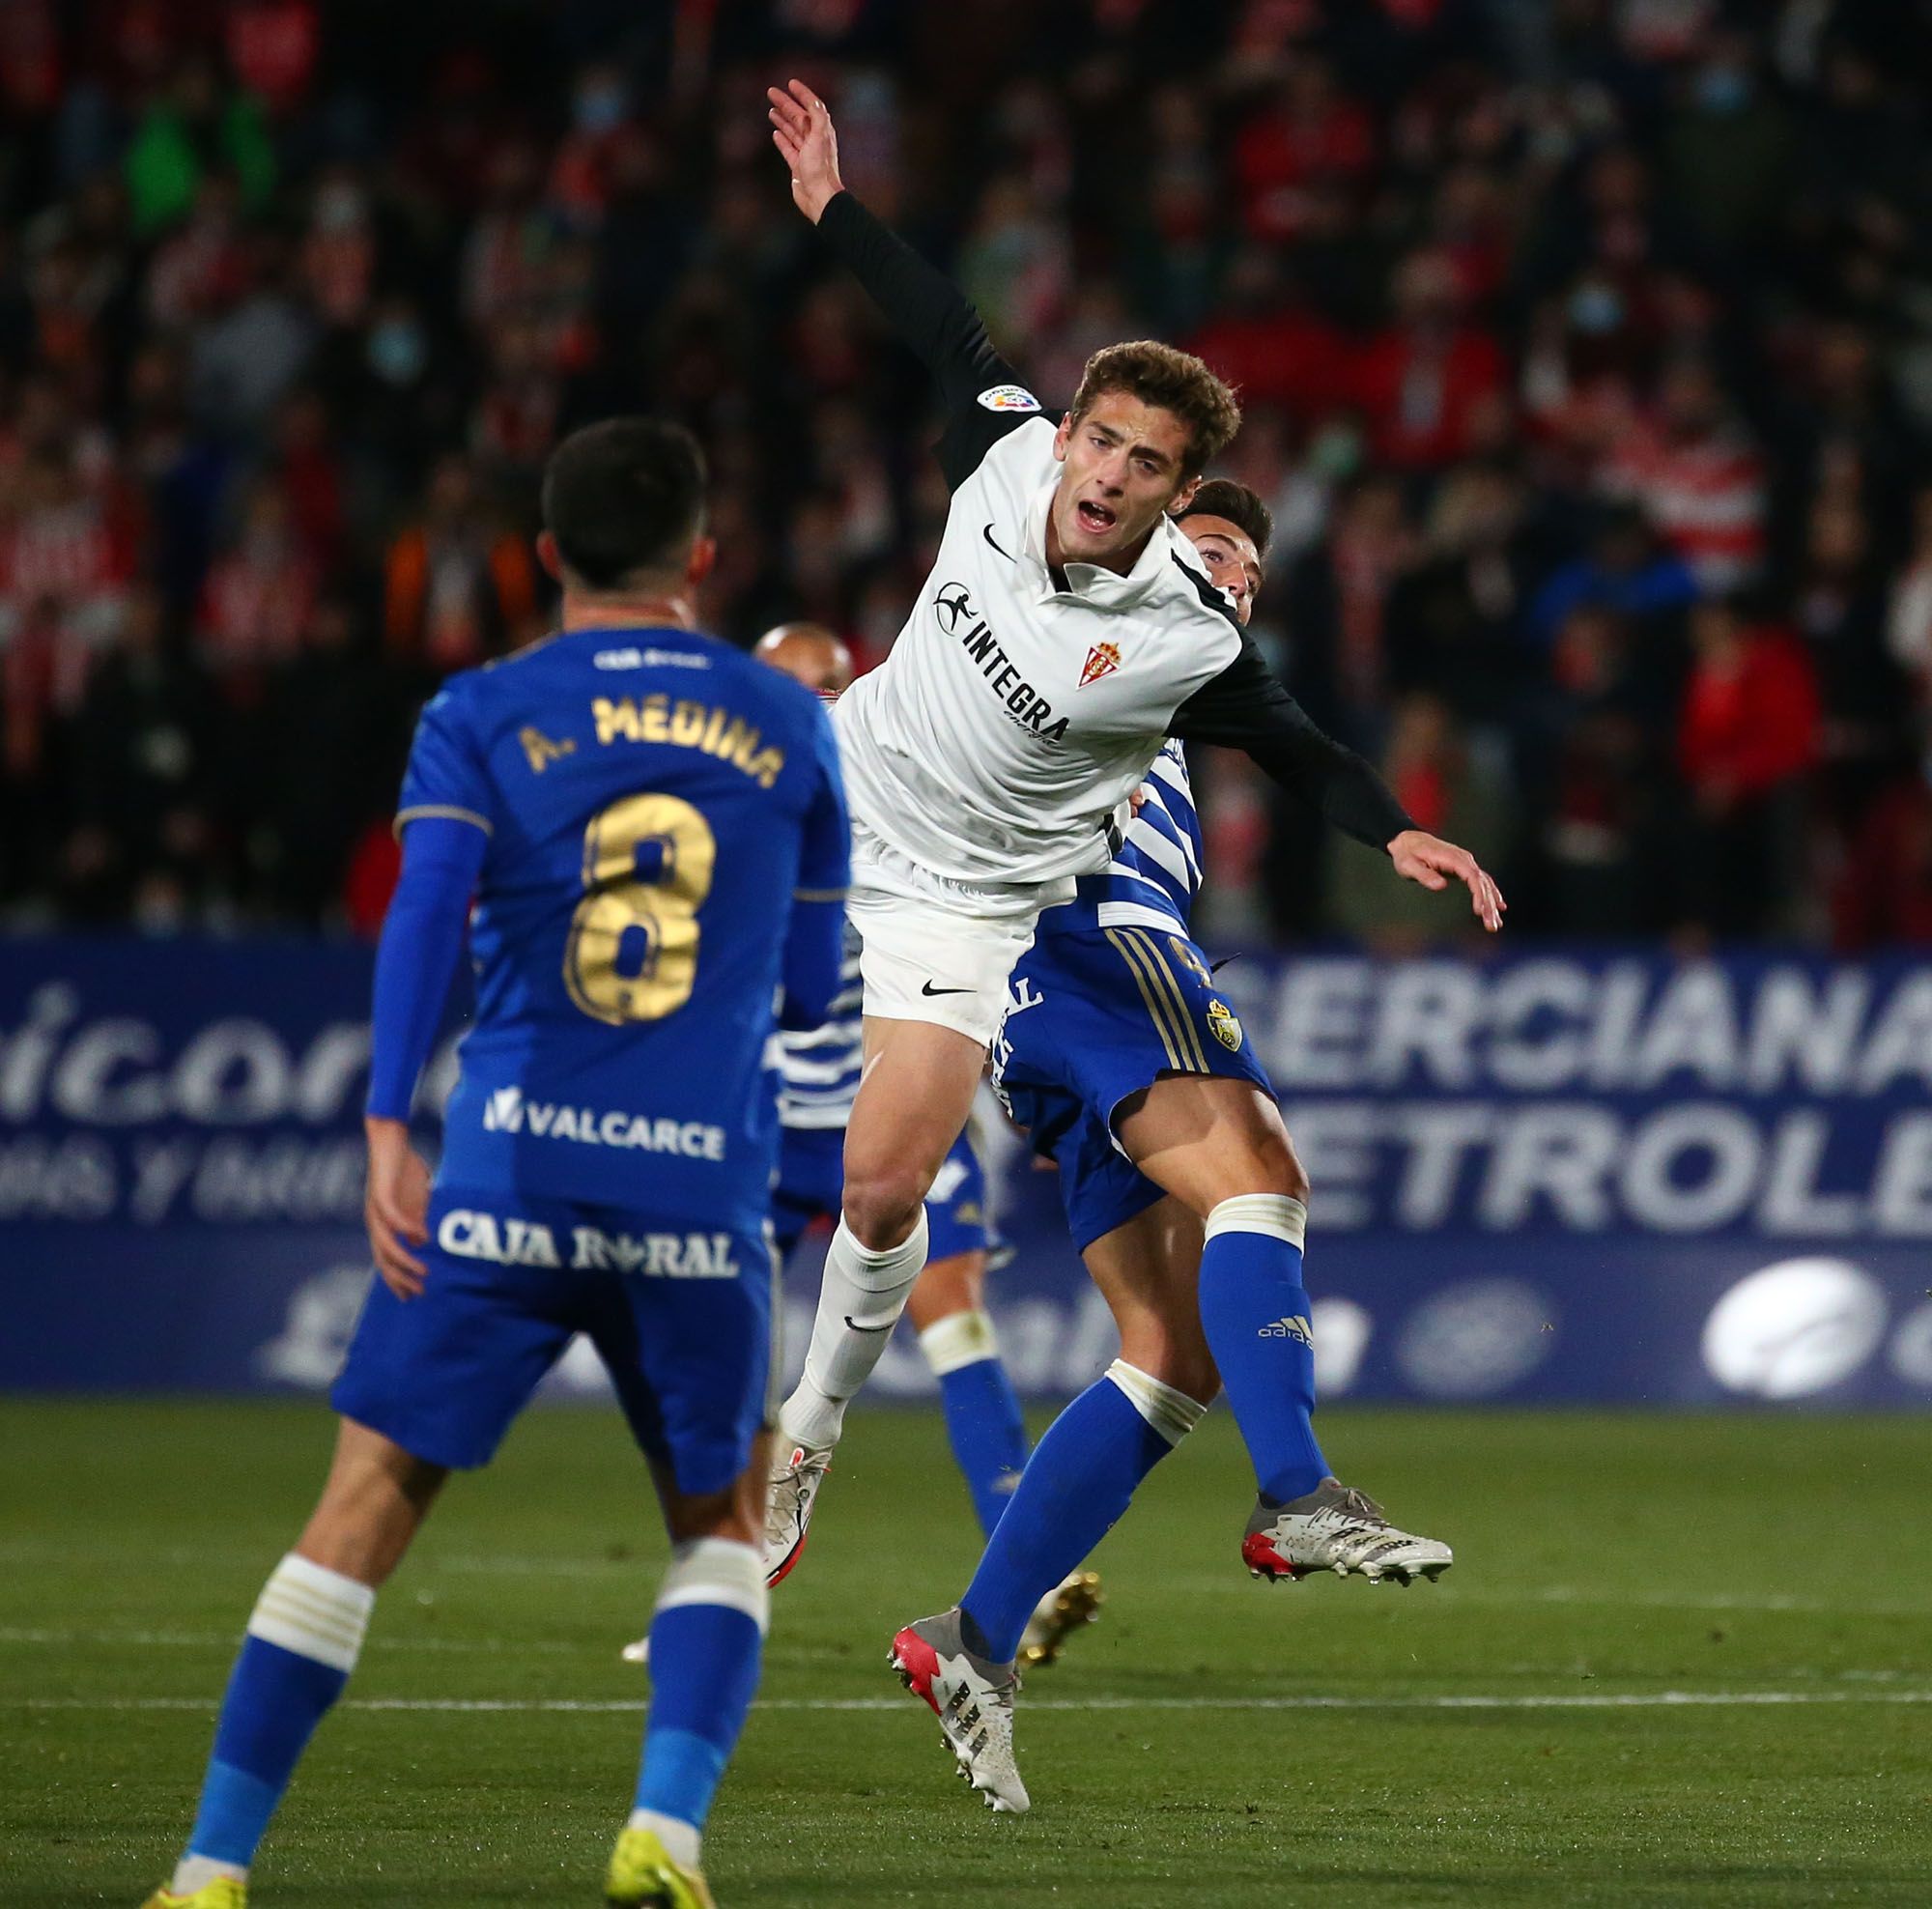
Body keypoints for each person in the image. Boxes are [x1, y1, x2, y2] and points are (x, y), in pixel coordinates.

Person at [761, 79, 1502, 1589]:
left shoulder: (1185, 635)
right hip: (849, 786)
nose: (1103, 475)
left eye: (1143, 467)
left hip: (965, 902)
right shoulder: (1012, 450)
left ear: (1170, 499)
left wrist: (1400, 833)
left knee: (884, 1191)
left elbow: (1300, 750)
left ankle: (802, 1430)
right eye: (1101, 440)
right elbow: (938, 325)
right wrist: (832, 202)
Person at [142, 419, 849, 1909]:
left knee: (360, 1510)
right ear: (701, 560)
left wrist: (390, 1125)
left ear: (544, 557)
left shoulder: (479, 709)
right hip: (694, 1193)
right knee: (718, 1527)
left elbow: (423, 919)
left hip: (511, 1172)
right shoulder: (793, 728)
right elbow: (802, 987)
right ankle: (666, 1834)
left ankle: (211, 1868)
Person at [890, 481, 1458, 1814]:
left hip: (1040, 994)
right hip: (1096, 947)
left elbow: (1297, 744)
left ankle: (972, 1638)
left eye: (1252, 570)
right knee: (1263, 1181)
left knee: (1170, 1355)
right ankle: (1298, 1492)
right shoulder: (1091, 618)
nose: (1235, 580)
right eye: (1211, 550)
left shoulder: (1180, 685)